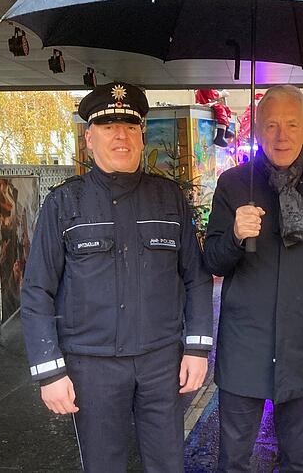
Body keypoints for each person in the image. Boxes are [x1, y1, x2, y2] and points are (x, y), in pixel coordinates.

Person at [21, 82, 213, 473]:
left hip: (161, 362)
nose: (120, 135)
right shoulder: (63, 203)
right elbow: (37, 290)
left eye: (129, 125)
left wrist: (196, 348)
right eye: (108, 127)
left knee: (168, 464)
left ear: (141, 135)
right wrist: (49, 371)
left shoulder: (169, 198)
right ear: (89, 138)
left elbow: (196, 278)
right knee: (103, 465)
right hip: (92, 366)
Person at [204, 85, 303, 472]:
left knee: (297, 460)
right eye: (272, 124)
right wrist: (234, 235)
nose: (282, 135)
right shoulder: (234, 184)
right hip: (245, 345)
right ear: (257, 129)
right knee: (233, 460)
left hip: (300, 343)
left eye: (292, 124)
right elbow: (212, 260)